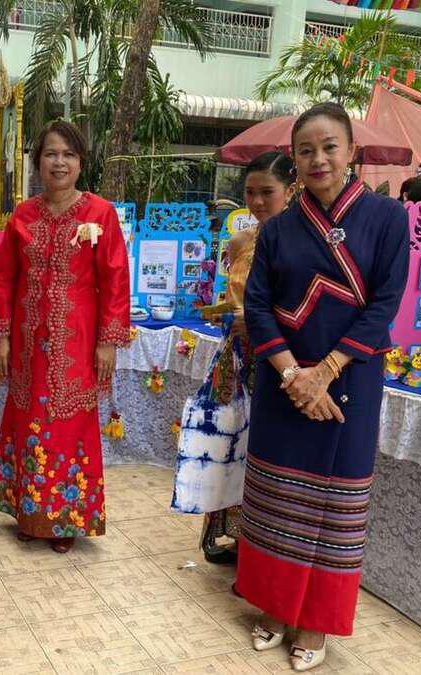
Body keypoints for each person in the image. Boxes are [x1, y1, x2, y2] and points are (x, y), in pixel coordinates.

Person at [237, 102, 409, 671]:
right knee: (275, 498)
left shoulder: (387, 217)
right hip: (284, 381)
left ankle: (315, 620)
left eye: (330, 147)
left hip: (350, 379)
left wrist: (325, 373)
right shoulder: (278, 229)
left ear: (351, 151)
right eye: (306, 150)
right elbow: (258, 307)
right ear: (294, 159)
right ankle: (274, 604)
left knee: (335, 504)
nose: (318, 159)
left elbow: (385, 303)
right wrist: (294, 376)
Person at [0, 120, 130, 554]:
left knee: (70, 428)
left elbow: (115, 279)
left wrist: (107, 342)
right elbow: (5, 278)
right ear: (38, 162)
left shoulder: (100, 214)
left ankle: (65, 520)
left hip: (77, 343)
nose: (59, 162)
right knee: (27, 423)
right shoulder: (22, 216)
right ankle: (30, 515)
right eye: (51, 153)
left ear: (81, 162)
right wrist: (3, 337)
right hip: (28, 345)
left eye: (68, 154)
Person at [171, 151, 295, 564]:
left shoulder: (300, 244)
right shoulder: (241, 241)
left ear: (290, 190)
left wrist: (258, 322)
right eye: (250, 192)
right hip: (236, 354)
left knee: (263, 446)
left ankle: (264, 544)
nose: (257, 202)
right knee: (227, 441)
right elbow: (233, 296)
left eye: (267, 192)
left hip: (276, 357)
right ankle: (232, 534)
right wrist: (226, 314)